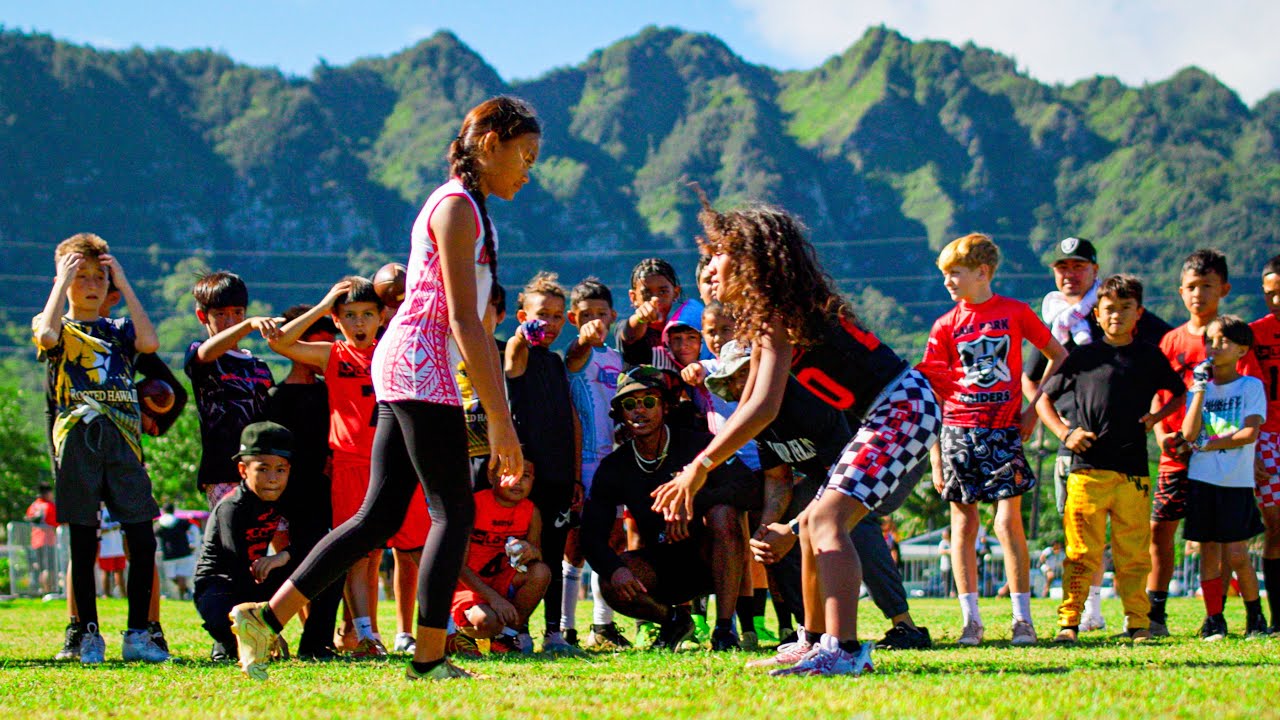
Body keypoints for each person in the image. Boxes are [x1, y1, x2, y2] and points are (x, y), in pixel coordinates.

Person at [229, 96, 533, 682]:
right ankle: (429, 656)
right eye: (525, 155)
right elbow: (464, 321)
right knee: (453, 512)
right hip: (422, 365)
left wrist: (492, 404)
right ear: (490, 144)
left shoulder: (471, 210)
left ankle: (266, 618)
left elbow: (472, 319)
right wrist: (500, 420)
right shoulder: (456, 207)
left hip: (412, 364)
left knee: (378, 517)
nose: (528, 171)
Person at [653, 197, 940, 676]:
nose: (710, 266)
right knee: (811, 526)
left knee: (826, 521)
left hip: (901, 408)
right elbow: (750, 402)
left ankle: (844, 650)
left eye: (718, 253)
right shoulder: (772, 314)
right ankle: (812, 640)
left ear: (749, 259)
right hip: (895, 410)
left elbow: (763, 408)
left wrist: (698, 468)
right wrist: (699, 466)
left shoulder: (777, 313)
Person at [703, 341, 933, 654]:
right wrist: (768, 529)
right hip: (831, 478)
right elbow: (778, 480)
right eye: (732, 379)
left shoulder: (808, 402)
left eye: (746, 372)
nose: (740, 383)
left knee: (849, 519)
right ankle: (811, 631)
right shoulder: (760, 420)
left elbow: (844, 484)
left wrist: (792, 529)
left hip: (891, 457)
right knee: (778, 538)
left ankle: (904, 625)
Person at [919, 233, 1066, 646]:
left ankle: (1023, 620)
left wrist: (1032, 409)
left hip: (1003, 430)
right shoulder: (945, 325)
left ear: (982, 273)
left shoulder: (1015, 312)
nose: (948, 282)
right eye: (945, 274)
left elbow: (1058, 355)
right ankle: (972, 622)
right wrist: (935, 456)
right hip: (957, 430)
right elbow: (932, 390)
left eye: (955, 273)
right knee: (963, 524)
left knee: (1007, 522)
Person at [269, 277, 426, 658]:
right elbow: (279, 342)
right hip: (350, 466)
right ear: (338, 321)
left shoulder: (392, 350)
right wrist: (325, 305)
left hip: (397, 462)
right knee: (358, 553)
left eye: (367, 314)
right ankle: (366, 635)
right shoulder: (332, 355)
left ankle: (440, 629)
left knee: (418, 548)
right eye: (350, 315)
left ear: (381, 317)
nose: (359, 323)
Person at [32, 232, 167, 663]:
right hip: (78, 438)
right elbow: (47, 336)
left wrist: (122, 282)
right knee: (83, 539)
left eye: (98, 276)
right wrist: (60, 282)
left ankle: (139, 633)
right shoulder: (55, 324)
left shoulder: (119, 329)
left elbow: (149, 343)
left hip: (124, 439)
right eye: (81, 276)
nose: (91, 285)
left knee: (142, 536)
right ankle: (86, 632)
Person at [1026, 237, 1172, 631]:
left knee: (1130, 545)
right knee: (1079, 540)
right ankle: (1081, 613)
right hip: (1078, 453)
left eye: (1079, 266)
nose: (1070, 274)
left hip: (1129, 458)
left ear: (1095, 270)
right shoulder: (1061, 326)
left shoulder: (1123, 314)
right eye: (1062, 267)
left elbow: (1174, 360)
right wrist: (1056, 428)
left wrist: (1157, 417)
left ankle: (1133, 618)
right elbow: (1034, 382)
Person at [583, 366, 760, 651]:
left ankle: (724, 629)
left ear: (665, 407)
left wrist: (691, 501)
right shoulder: (615, 466)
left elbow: (750, 489)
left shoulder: (698, 444)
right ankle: (674, 620)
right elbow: (591, 536)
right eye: (630, 404)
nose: (639, 410)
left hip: (714, 557)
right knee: (610, 581)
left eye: (649, 401)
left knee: (724, 514)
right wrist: (614, 569)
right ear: (621, 414)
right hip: (664, 565)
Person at [1147, 249, 1262, 636]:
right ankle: (1155, 614)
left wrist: (1252, 453)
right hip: (1176, 455)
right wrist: (1162, 435)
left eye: (1208, 286)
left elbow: (1249, 402)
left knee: (1221, 541)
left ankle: (1218, 614)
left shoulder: (1233, 339)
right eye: (1192, 286)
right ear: (1181, 291)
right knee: (1161, 530)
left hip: (1220, 460)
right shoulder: (1171, 340)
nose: (1199, 294)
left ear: (1223, 289)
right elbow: (1158, 394)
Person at [504, 271, 582, 653]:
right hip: (527, 478)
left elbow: (572, 421)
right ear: (523, 317)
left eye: (556, 316)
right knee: (522, 554)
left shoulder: (554, 362)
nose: (548, 324)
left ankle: (553, 633)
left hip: (559, 477)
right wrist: (523, 335)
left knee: (553, 552)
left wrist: (576, 476)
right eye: (540, 316)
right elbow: (514, 350)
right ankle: (516, 630)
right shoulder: (517, 354)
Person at [1181, 316, 1269, 639]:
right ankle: (1214, 618)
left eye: (1223, 341)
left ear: (1242, 350)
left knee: (1236, 554)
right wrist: (1199, 390)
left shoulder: (1250, 387)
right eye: (1210, 341)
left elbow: (1249, 433)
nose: (1214, 347)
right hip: (1202, 479)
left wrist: (1210, 443)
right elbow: (1189, 433)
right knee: (1208, 553)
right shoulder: (1199, 388)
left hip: (1236, 481)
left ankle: (1254, 615)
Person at [264, 305, 344, 659]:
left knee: (333, 563)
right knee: (305, 563)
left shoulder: (331, 391)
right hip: (291, 496)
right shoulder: (275, 398)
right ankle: (287, 633)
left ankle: (318, 640)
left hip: (325, 491)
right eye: (318, 344)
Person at [563, 277, 630, 649]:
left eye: (600, 314)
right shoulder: (576, 354)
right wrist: (583, 339)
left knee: (612, 541)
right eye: (586, 315)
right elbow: (575, 351)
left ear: (613, 316)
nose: (594, 321)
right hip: (585, 462)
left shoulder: (616, 358)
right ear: (573, 318)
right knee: (575, 545)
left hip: (613, 462)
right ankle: (565, 628)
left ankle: (602, 627)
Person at [194, 422, 297, 661]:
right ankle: (228, 641)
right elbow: (236, 565)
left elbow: (311, 541)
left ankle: (315, 641)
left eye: (280, 470)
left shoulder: (284, 498)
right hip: (220, 582)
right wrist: (264, 626)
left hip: (255, 576)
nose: (272, 478)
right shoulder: (232, 507)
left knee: (311, 566)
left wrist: (282, 556)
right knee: (223, 615)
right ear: (243, 470)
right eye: (263, 469)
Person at [185, 271, 277, 509]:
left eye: (238, 313)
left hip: (265, 471)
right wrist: (248, 325)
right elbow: (205, 353)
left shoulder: (259, 366)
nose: (231, 321)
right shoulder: (201, 354)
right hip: (223, 472)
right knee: (231, 531)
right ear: (202, 316)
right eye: (221, 314)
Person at [449, 459, 549, 655]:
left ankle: (507, 637)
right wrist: (493, 598)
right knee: (488, 622)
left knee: (541, 572)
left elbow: (537, 556)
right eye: (510, 474)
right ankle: (458, 632)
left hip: (502, 581)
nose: (517, 482)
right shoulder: (473, 505)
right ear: (490, 476)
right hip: (468, 586)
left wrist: (530, 551)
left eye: (525, 476)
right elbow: (458, 566)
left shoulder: (531, 511)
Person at [1249, 254, 1280, 633]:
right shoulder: (1254, 334)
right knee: (1276, 527)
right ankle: (1277, 618)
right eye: (1270, 293)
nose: (1277, 301)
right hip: (1269, 437)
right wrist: (1253, 447)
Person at [615, 258, 705, 369]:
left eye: (663, 292)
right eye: (646, 293)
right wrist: (640, 318)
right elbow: (629, 335)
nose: (655, 299)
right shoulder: (630, 327)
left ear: (675, 293)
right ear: (633, 297)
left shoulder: (679, 331)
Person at [156, 502, 201, 601]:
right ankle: (186, 592)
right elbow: (195, 530)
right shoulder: (181, 522)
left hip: (169, 555)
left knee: (174, 577)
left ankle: (183, 596)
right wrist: (195, 544)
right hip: (184, 553)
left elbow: (153, 537)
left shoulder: (159, 525)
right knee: (181, 577)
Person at [25, 483, 58, 595]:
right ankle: (49, 591)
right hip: (47, 540)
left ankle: (43, 590)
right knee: (49, 568)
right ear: (47, 493)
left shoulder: (33, 506)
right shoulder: (49, 506)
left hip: (35, 541)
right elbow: (56, 522)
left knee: (41, 567)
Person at [98, 507, 126, 598]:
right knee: (106, 572)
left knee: (120, 572)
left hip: (119, 548)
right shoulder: (100, 512)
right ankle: (106, 594)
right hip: (105, 549)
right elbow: (97, 531)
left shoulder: (118, 510)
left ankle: (123, 595)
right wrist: (110, 528)